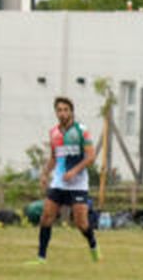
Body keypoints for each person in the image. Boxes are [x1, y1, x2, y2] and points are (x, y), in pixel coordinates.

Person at [31, 96, 99, 264]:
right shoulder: (53, 133)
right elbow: (54, 157)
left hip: (78, 185)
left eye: (65, 110)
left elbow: (91, 156)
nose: (62, 113)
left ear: (71, 112)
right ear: (56, 112)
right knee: (46, 217)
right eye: (59, 110)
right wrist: (45, 173)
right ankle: (41, 258)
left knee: (81, 223)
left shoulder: (81, 131)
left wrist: (74, 171)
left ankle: (93, 245)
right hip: (59, 183)